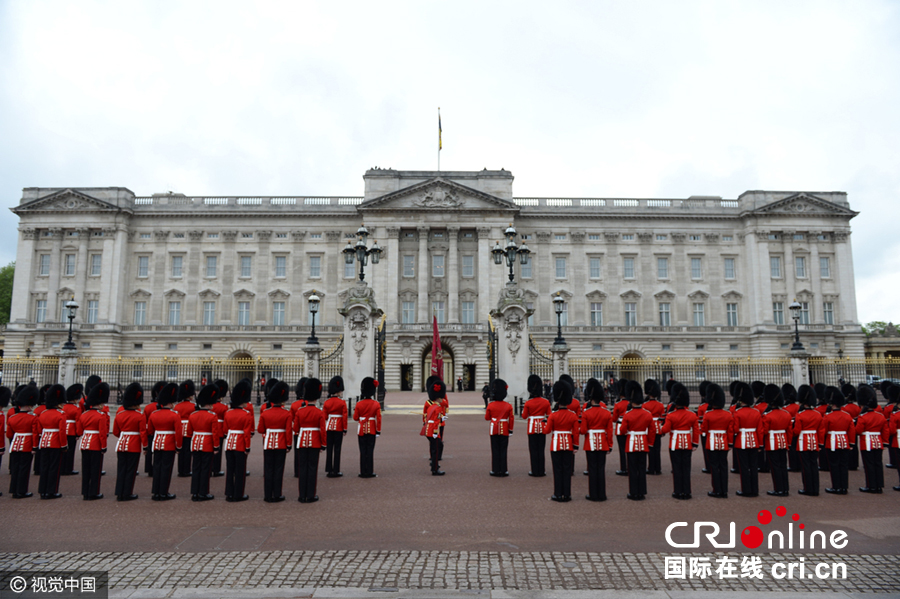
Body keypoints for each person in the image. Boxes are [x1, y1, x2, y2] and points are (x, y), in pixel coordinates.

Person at [661, 383, 699, 500]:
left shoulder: (671, 415)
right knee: (686, 469)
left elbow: (665, 429)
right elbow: (696, 431)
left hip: (675, 444)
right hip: (687, 444)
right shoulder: (692, 415)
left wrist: (658, 426)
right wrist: (695, 443)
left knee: (677, 469)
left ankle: (678, 491)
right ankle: (687, 492)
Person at [258, 379, 293, 503]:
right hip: (281, 443)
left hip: (268, 443)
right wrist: (289, 444)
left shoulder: (265, 413)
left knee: (268, 469)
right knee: (278, 469)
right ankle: (277, 494)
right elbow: (288, 431)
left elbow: (260, 429)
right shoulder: (286, 414)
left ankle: (268, 495)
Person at [620, 380, 654, 500]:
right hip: (644, 443)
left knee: (633, 469)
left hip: (631, 444)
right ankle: (642, 491)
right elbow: (652, 431)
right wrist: (650, 443)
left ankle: (634, 492)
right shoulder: (647, 414)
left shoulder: (628, 415)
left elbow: (622, 431)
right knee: (642, 468)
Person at [294, 379, 327, 502]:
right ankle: (311, 495)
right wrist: (324, 444)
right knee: (312, 468)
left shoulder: (300, 411)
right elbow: (322, 430)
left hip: (302, 441)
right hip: (315, 442)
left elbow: (295, 429)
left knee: (302, 468)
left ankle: (302, 495)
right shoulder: (319, 412)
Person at [113, 383, 146, 501]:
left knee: (121, 469)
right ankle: (127, 493)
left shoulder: (119, 415)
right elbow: (143, 433)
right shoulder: (139, 416)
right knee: (130, 470)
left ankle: (119, 492)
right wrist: (146, 447)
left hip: (121, 445)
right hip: (133, 446)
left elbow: (116, 432)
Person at [188, 384, 222, 501]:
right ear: (208, 403)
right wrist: (216, 447)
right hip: (207, 445)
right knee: (205, 469)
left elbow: (189, 432)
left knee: (196, 468)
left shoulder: (192, 415)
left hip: (195, 444)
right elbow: (215, 433)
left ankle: (194, 492)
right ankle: (203, 492)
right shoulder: (212, 416)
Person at [546, 380, 579, 502]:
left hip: (556, 445)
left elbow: (547, 431)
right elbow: (575, 432)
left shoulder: (553, 415)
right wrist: (576, 446)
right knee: (567, 469)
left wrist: (545, 424)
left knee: (557, 470)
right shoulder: (573, 415)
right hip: (569, 445)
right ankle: (567, 494)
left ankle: (558, 494)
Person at [77, 382, 110, 500]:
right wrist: (103, 447)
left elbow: (79, 431)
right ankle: (94, 492)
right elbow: (102, 434)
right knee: (95, 470)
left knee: (86, 469)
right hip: (95, 444)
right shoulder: (101, 416)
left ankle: (85, 492)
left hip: (85, 444)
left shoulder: (84, 415)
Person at [581, 379, 612, 501]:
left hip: (590, 443)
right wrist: (610, 445)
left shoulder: (586, 413)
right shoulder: (606, 412)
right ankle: (602, 494)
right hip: (603, 443)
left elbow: (583, 430)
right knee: (601, 468)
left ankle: (593, 494)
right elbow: (609, 431)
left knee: (592, 469)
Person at [148, 383, 180, 500]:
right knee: (166, 468)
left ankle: (156, 492)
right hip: (169, 445)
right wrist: (179, 446)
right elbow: (178, 433)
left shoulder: (154, 414)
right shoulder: (174, 415)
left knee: (157, 467)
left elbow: (150, 431)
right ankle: (163, 492)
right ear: (170, 402)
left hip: (157, 444)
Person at [821, 386, 855, 495]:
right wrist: (851, 443)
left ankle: (836, 487)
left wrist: (821, 442)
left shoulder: (828, 416)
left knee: (834, 465)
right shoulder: (847, 416)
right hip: (844, 442)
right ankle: (844, 487)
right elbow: (851, 431)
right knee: (844, 465)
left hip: (832, 443)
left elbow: (823, 431)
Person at [7, 385, 40, 498]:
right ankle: (22, 490)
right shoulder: (33, 418)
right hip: (27, 445)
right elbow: (35, 434)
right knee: (24, 468)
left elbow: (9, 434)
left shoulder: (12, 418)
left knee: (15, 467)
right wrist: (35, 447)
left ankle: (14, 489)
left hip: (15, 444)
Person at [223, 380, 253, 502]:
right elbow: (246, 433)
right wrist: (247, 447)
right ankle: (238, 494)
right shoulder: (246, 414)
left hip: (229, 444)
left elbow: (225, 431)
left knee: (230, 470)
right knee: (240, 471)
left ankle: (229, 493)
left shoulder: (228, 413)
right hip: (240, 445)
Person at [702, 383, 733, 498]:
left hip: (712, 443)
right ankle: (724, 490)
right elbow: (730, 431)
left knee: (714, 467)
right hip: (724, 443)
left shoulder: (708, 414)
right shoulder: (728, 414)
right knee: (724, 467)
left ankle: (716, 490)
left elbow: (704, 429)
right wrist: (730, 443)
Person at [856, 384, 888, 493]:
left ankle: (871, 486)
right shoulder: (880, 416)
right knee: (878, 464)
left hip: (867, 443)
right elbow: (885, 430)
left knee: (869, 465)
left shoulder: (862, 417)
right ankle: (879, 486)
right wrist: (884, 442)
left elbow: (858, 431)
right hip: (878, 442)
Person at [761, 384, 792, 497]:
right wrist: (788, 443)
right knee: (783, 465)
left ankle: (778, 489)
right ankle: (785, 489)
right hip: (783, 442)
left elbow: (764, 431)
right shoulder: (786, 414)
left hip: (772, 443)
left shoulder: (767, 416)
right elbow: (789, 431)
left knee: (775, 467)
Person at [37, 384, 67, 500]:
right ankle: (51, 491)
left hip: (44, 442)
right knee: (54, 467)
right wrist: (64, 445)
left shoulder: (43, 413)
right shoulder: (61, 414)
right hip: (55, 443)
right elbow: (62, 431)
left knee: (44, 466)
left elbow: (40, 430)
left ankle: (42, 490)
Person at [732, 382, 762, 497]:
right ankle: (755, 490)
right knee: (753, 466)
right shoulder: (756, 412)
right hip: (754, 442)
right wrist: (760, 445)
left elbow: (735, 429)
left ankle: (746, 490)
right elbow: (760, 430)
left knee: (744, 467)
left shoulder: (738, 412)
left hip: (741, 442)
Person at [793, 384, 823, 496]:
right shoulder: (818, 414)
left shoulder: (800, 415)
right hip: (814, 442)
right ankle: (815, 489)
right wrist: (820, 443)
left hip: (803, 443)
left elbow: (796, 431)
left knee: (806, 466)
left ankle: (808, 488)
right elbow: (821, 431)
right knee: (814, 465)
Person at [521, 374, 551, 477]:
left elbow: (524, 416)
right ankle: (541, 470)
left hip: (532, 427)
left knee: (533, 450)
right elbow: (549, 415)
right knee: (541, 449)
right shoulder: (546, 402)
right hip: (542, 427)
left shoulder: (528, 403)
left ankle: (534, 470)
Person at [353, 377, 382, 479]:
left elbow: (355, 418)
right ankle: (369, 471)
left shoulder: (359, 404)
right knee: (370, 451)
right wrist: (378, 430)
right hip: (372, 429)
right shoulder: (376, 404)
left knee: (362, 450)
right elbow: (378, 418)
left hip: (361, 430)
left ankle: (362, 471)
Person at [485, 379, 513, 477]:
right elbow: (512, 419)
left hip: (494, 429)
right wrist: (511, 429)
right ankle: (504, 470)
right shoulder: (508, 406)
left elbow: (487, 418)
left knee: (495, 450)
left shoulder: (491, 405)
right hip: (505, 429)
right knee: (503, 450)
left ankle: (495, 470)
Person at [323, 376, 348, 478]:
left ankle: (329, 469)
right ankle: (336, 470)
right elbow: (344, 417)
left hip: (329, 427)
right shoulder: (342, 402)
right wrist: (344, 428)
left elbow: (324, 416)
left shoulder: (327, 402)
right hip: (338, 427)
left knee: (329, 449)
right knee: (337, 449)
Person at [174, 380, 196, 478]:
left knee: (180, 451)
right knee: (187, 451)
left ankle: (180, 470)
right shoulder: (193, 406)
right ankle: (187, 470)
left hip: (179, 430)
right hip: (189, 430)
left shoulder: (177, 406)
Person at [143, 381, 166, 476]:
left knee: (149, 451)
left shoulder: (148, 407)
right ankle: (158, 468)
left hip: (149, 431)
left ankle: (148, 468)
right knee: (159, 451)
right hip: (160, 431)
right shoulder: (163, 407)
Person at [643, 380, 665, 476]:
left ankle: (651, 468)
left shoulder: (645, 405)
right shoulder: (660, 405)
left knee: (650, 449)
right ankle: (658, 468)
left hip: (649, 428)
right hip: (658, 428)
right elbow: (663, 418)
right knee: (657, 449)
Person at [424, 379, 446, 475]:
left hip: (429, 429)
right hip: (433, 431)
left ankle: (434, 464)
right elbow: (436, 422)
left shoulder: (431, 406)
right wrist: (436, 433)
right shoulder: (437, 408)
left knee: (435, 447)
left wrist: (442, 417)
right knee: (436, 449)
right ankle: (435, 468)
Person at [62, 384, 82, 476]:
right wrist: (78, 433)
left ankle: (62, 467)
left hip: (63, 429)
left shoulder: (63, 407)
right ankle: (68, 469)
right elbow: (78, 421)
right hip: (72, 430)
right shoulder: (76, 408)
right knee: (71, 450)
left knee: (63, 449)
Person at [210, 379, 229, 478]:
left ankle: (210, 468)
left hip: (210, 430)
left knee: (209, 450)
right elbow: (226, 421)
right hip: (220, 430)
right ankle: (216, 470)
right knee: (218, 450)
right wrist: (226, 432)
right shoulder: (224, 407)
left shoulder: (211, 406)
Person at [290, 377, 308, 478]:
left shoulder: (294, 405)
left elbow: (291, 419)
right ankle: (304, 470)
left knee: (297, 452)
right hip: (307, 431)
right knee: (306, 452)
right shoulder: (308, 404)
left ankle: (297, 471)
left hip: (297, 432)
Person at [611, 380, 630, 476]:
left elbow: (614, 419)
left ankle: (623, 468)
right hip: (630, 427)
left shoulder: (618, 404)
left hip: (620, 427)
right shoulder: (630, 403)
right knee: (629, 448)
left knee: (622, 449)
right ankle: (630, 467)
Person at [842, 383, 861, 472]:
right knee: (855, 445)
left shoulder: (844, 408)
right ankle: (854, 463)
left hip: (847, 428)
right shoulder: (857, 407)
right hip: (855, 427)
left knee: (848, 446)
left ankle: (849, 463)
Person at [782, 384, 801, 472]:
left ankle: (793, 465)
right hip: (799, 426)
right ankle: (799, 464)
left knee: (792, 447)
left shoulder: (785, 408)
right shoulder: (798, 407)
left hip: (790, 427)